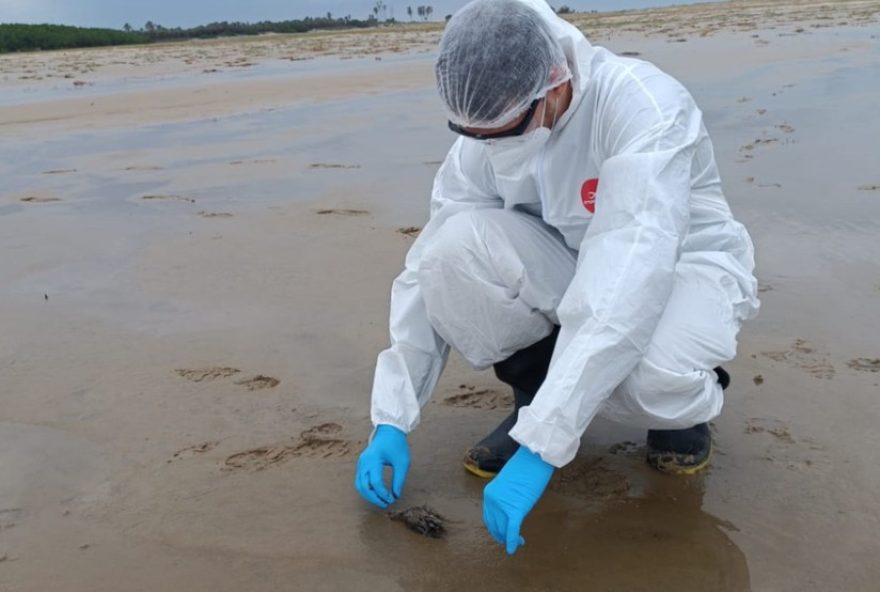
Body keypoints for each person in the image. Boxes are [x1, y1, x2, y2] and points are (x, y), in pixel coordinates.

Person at [354, 0, 759, 555]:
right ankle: (534, 400)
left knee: (651, 379)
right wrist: (391, 417)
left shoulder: (642, 107)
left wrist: (541, 450)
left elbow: (626, 279)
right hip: (569, 260)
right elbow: (430, 266)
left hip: (678, 266)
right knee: (450, 252)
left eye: (505, 128)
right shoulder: (483, 135)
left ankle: (682, 413)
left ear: (554, 80)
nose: (491, 145)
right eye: (475, 132)